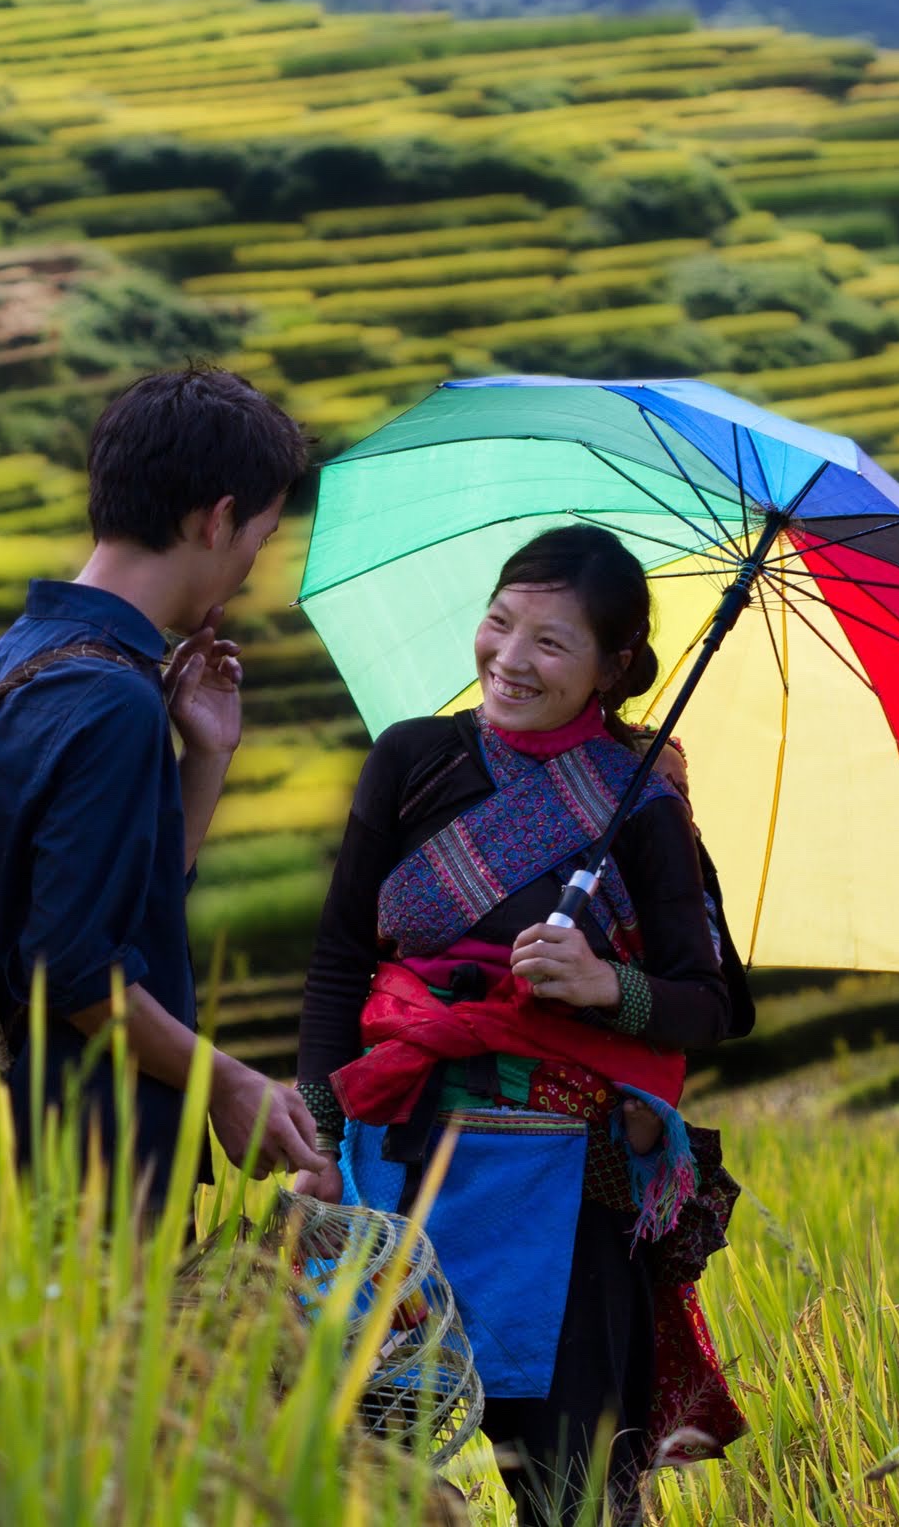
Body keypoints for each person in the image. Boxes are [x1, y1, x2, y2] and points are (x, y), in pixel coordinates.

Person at [292, 524, 752, 1526]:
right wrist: (320, 1138)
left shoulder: (643, 807)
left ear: (615, 665)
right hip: (394, 1166)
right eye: (498, 625)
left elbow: (712, 1002)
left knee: (572, 1489)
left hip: (563, 1195)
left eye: (550, 642)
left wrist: (602, 989)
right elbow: (337, 964)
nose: (507, 660)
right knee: (367, 1476)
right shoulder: (413, 759)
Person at [0, 365, 323, 1211]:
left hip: (4, 1137)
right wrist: (228, 1082)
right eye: (257, 541)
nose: (248, 571)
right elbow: (72, 968)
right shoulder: (111, 698)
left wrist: (206, 757)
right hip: (76, 1155)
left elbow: (111, 905)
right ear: (218, 517)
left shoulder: (17, 657)